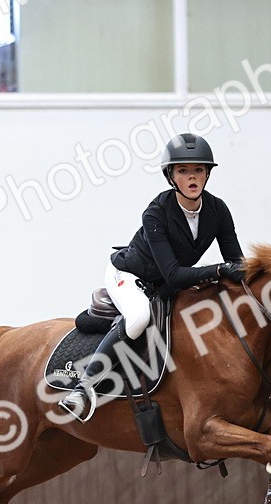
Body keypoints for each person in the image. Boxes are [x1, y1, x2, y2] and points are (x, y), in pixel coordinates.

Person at [58, 133, 247, 422]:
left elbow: (237, 263)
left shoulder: (218, 210)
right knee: (138, 317)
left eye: (198, 170)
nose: (192, 177)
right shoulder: (157, 212)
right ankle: (83, 389)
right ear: (171, 176)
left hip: (163, 283)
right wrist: (219, 271)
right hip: (129, 275)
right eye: (183, 171)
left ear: (208, 174)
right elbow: (173, 275)